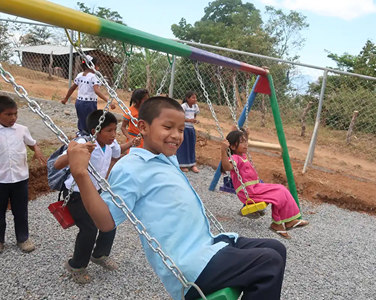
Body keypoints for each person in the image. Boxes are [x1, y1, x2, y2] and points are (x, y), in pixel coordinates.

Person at [65, 96, 287, 299]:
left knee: (277, 249)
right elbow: (105, 223)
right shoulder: (131, 168)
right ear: (142, 127)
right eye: (168, 127)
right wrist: (81, 174)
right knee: (269, 263)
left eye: (181, 129)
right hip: (190, 266)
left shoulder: (165, 158)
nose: (176, 135)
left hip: (207, 245)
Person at [54, 110, 139, 284]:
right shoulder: (82, 142)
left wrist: (132, 143)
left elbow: (117, 152)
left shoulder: (110, 143)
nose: (113, 134)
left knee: (110, 221)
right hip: (76, 194)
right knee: (89, 229)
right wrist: (76, 152)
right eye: (109, 130)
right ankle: (75, 265)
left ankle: (99, 254)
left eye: (115, 130)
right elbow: (57, 164)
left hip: (96, 192)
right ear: (95, 131)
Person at [221, 128, 309, 239]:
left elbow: (241, 145)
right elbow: (227, 167)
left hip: (255, 188)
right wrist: (223, 151)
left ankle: (284, 222)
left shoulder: (242, 155)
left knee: (281, 189)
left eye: (246, 141)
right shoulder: (235, 158)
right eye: (242, 142)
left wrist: (245, 135)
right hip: (249, 192)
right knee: (279, 193)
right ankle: (279, 223)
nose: (246, 144)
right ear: (233, 147)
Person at [0, 96, 46, 253]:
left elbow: (32, 143)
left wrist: (37, 150)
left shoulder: (21, 130)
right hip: (1, 180)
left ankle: (23, 238)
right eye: (8, 114)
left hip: (20, 179)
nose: (13, 118)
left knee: (21, 211)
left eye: (15, 114)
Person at [61, 55, 116, 135]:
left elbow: (72, 88)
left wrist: (65, 99)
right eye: (98, 66)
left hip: (79, 103)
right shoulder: (93, 77)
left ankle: (81, 134)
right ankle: (88, 137)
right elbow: (97, 91)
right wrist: (109, 101)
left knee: (82, 120)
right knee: (90, 121)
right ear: (92, 66)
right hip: (89, 104)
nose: (98, 68)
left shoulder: (80, 75)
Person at [177, 91, 200, 173]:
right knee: (184, 146)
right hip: (184, 128)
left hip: (191, 128)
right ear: (187, 98)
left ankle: (192, 164)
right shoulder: (184, 106)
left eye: (195, 98)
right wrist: (189, 120)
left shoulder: (195, 106)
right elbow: (179, 117)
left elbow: (195, 115)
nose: (195, 99)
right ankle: (182, 164)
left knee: (191, 145)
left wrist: (194, 120)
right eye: (193, 98)